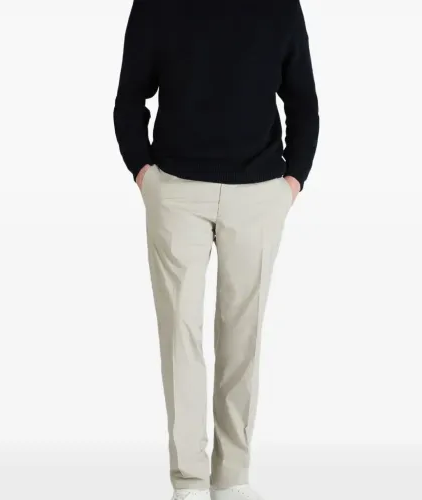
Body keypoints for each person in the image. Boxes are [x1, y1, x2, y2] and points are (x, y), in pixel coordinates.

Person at [113, 0, 319, 498]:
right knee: (179, 336)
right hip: (176, 191)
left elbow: (303, 99)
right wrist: (144, 174)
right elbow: (129, 96)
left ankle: (231, 480)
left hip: (259, 194)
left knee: (242, 338)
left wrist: (293, 180)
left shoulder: (280, 6)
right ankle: (188, 481)